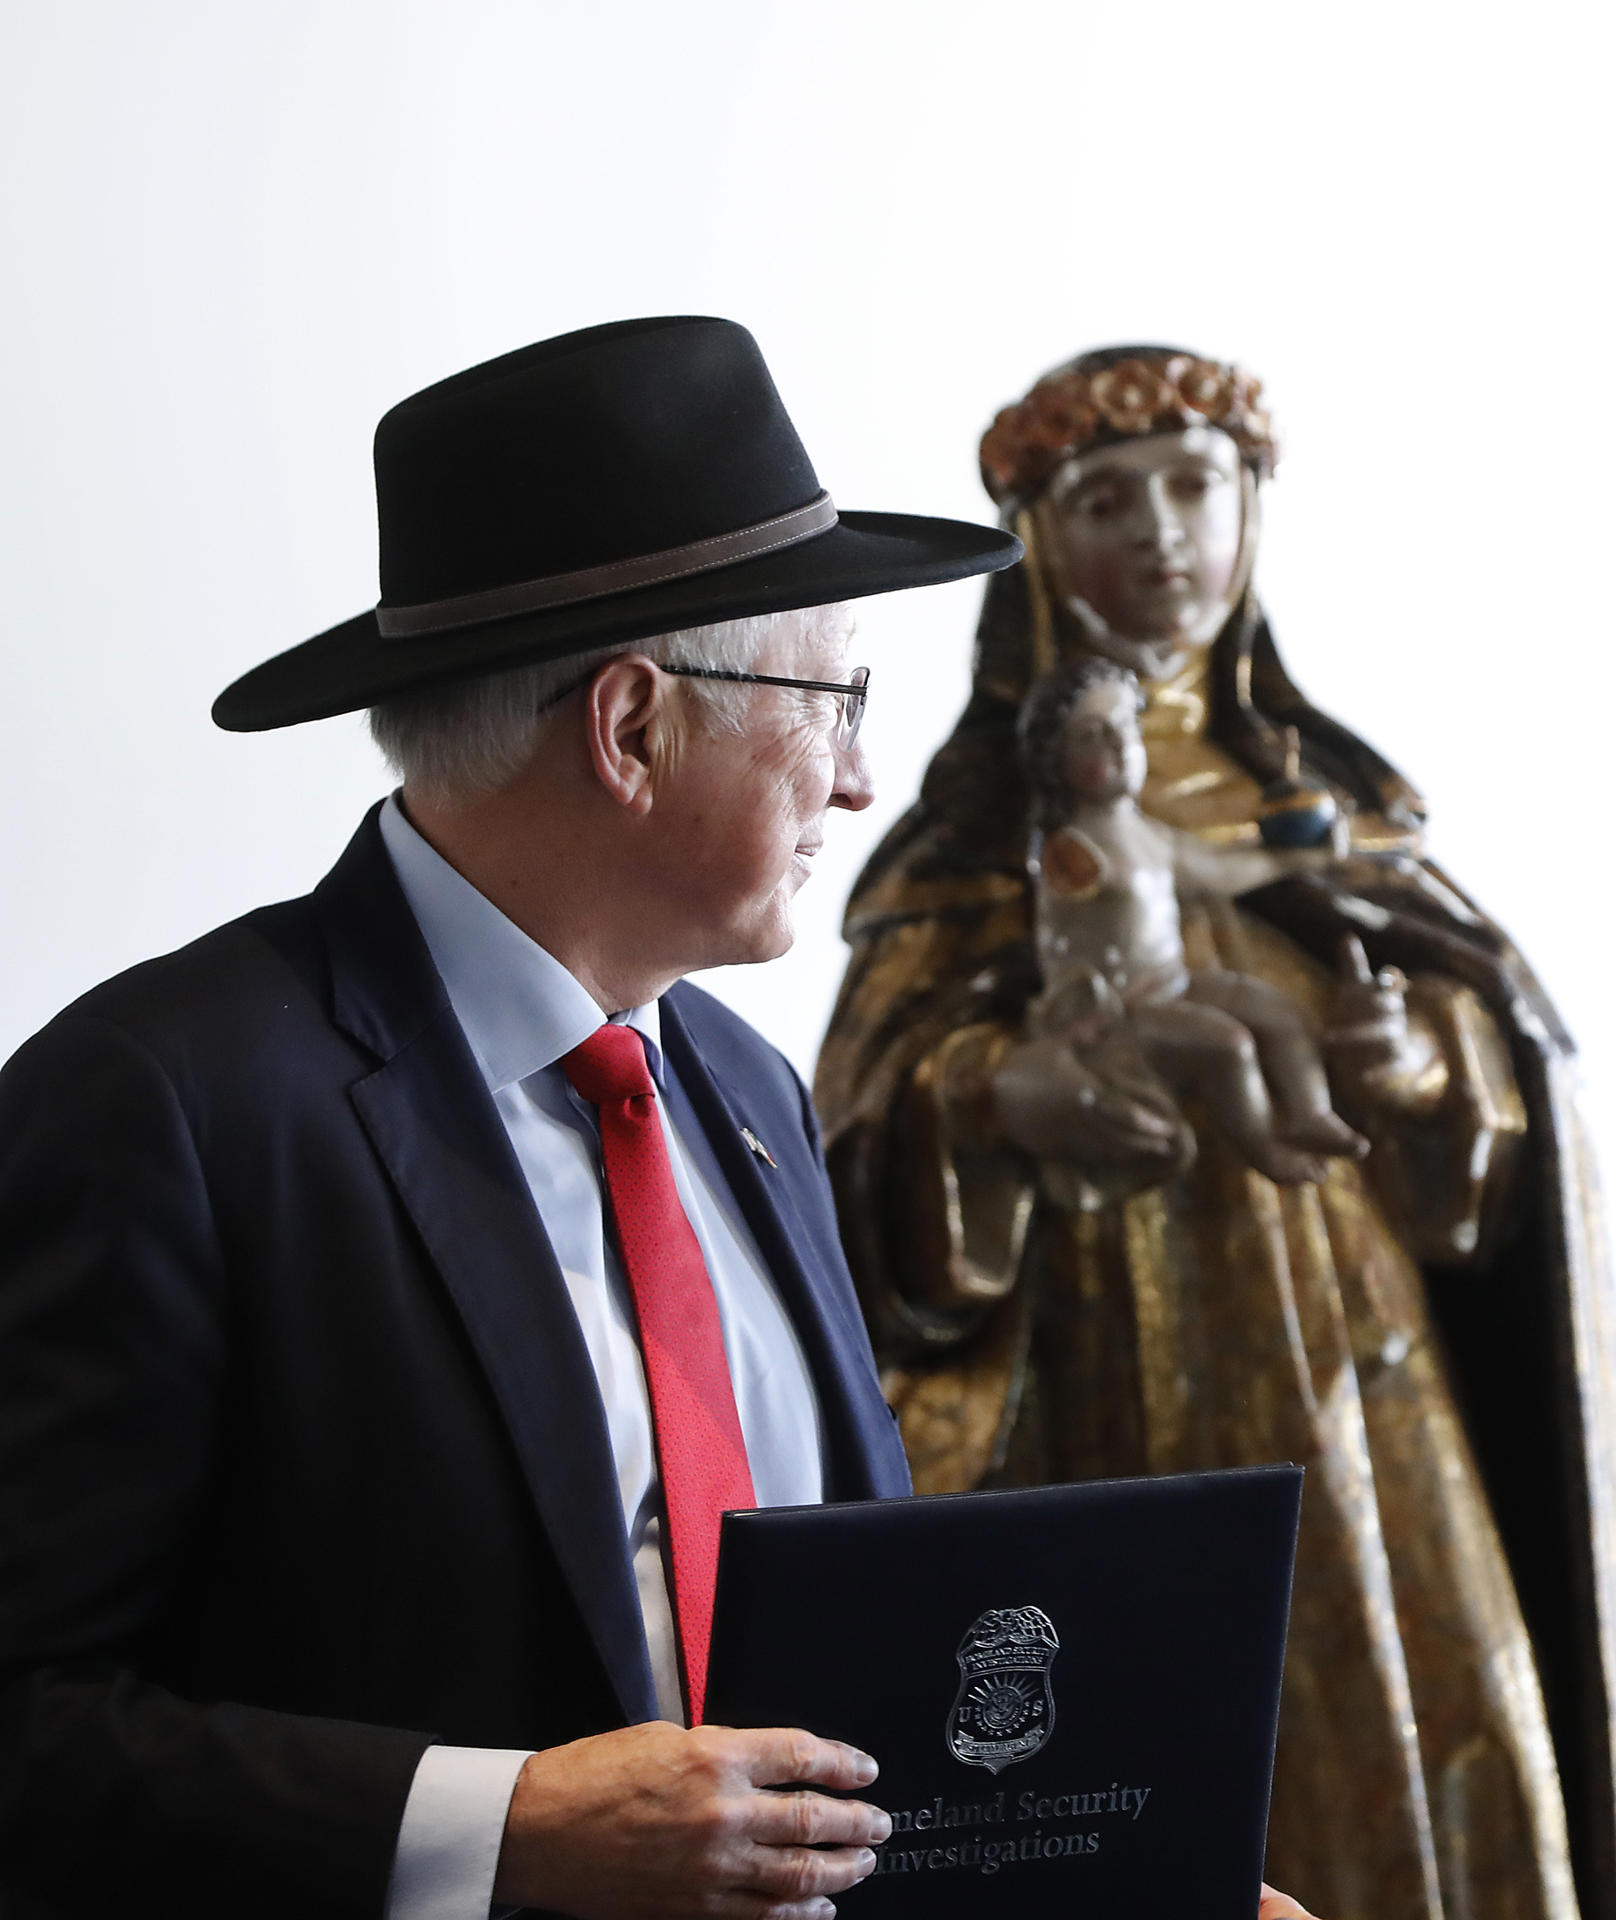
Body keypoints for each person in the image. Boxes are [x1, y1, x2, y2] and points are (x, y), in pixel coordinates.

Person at [0, 318, 1315, 1920]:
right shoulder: (165, 1105)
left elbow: (864, 1691)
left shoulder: (752, 1092)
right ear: (633, 728)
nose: (857, 782)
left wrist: (1118, 1874)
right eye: (835, 704)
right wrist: (501, 1825)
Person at [816, 345, 1616, 1919]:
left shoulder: (1338, 810)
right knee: (1147, 1750)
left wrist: (1426, 1069)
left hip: (1363, 1360)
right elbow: (864, 1102)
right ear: (1040, 540)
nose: (1164, 533)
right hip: (1103, 1359)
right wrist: (994, 1094)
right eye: (1107, 500)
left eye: (1198, 486)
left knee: (1430, 1711)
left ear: (1254, 507)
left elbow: (1499, 1086)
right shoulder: (979, 832)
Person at [1019, 655, 1367, 1190]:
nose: (1118, 745)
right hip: (1114, 1014)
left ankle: (1309, 1113)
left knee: (1276, 1010)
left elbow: (1214, 871)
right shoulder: (1069, 849)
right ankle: (1263, 1147)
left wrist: (1299, 858)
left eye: (1126, 727)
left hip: (1172, 985)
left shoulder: (1148, 834)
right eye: (1092, 736)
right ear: (1054, 759)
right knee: (1227, 1044)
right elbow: (1058, 893)